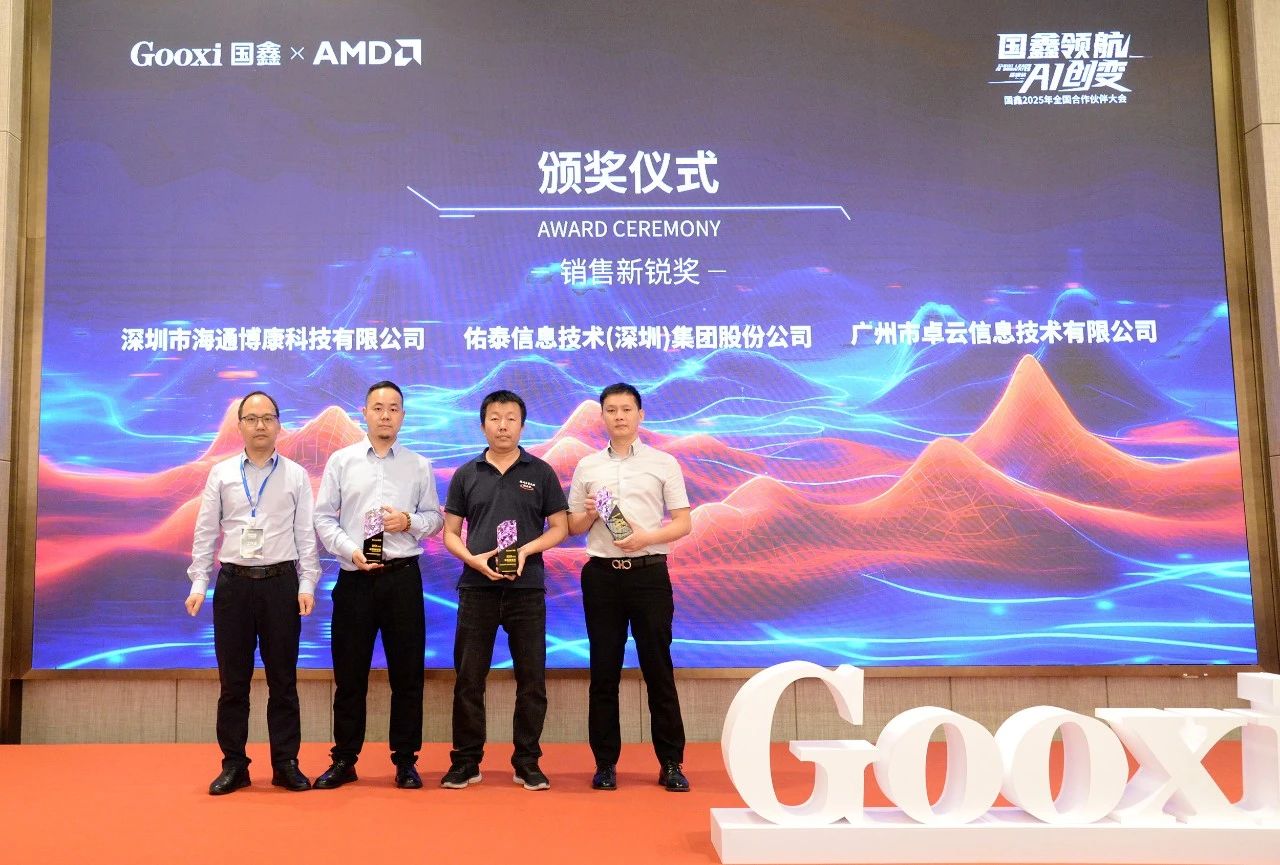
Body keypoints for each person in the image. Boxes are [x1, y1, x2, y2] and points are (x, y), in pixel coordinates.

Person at [186, 390, 320, 795]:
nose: (260, 425)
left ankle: (285, 764)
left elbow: (305, 534)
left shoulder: (296, 475)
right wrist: (198, 582)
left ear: (278, 424)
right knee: (233, 683)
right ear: (240, 425)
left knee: (284, 681)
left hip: (281, 585)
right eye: (252, 419)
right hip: (234, 586)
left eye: (268, 418)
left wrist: (307, 582)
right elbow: (206, 531)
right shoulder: (221, 473)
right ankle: (234, 765)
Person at [313, 380, 443, 789]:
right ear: (364, 413)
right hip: (355, 579)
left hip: (402, 578)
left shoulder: (419, 465)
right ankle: (344, 759)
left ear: (402, 415)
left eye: (393, 408)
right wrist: (350, 550)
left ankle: (405, 760)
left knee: (407, 675)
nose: (385, 415)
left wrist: (409, 522)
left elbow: (435, 519)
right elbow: (323, 518)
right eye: (378, 408)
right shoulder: (341, 461)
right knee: (349, 675)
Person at [567, 382, 693, 792]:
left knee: (658, 670)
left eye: (626, 409)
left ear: (640, 415)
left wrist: (646, 538)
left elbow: (683, 522)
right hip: (601, 577)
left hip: (648, 574)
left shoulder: (663, 463)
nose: (619, 416)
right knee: (603, 672)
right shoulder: (587, 466)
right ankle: (605, 764)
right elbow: (573, 526)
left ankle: (671, 763)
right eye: (611, 410)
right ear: (602, 416)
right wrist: (589, 514)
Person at [440, 390, 568, 791]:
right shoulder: (467, 473)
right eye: (495, 418)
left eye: (511, 418)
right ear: (483, 425)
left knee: (531, 680)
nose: (503, 425)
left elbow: (560, 527)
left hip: (526, 590)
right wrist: (472, 559)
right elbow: (450, 532)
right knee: (468, 679)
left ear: (522, 425)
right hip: (476, 588)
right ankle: (466, 762)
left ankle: (527, 761)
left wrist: (526, 551)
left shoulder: (541, 472)